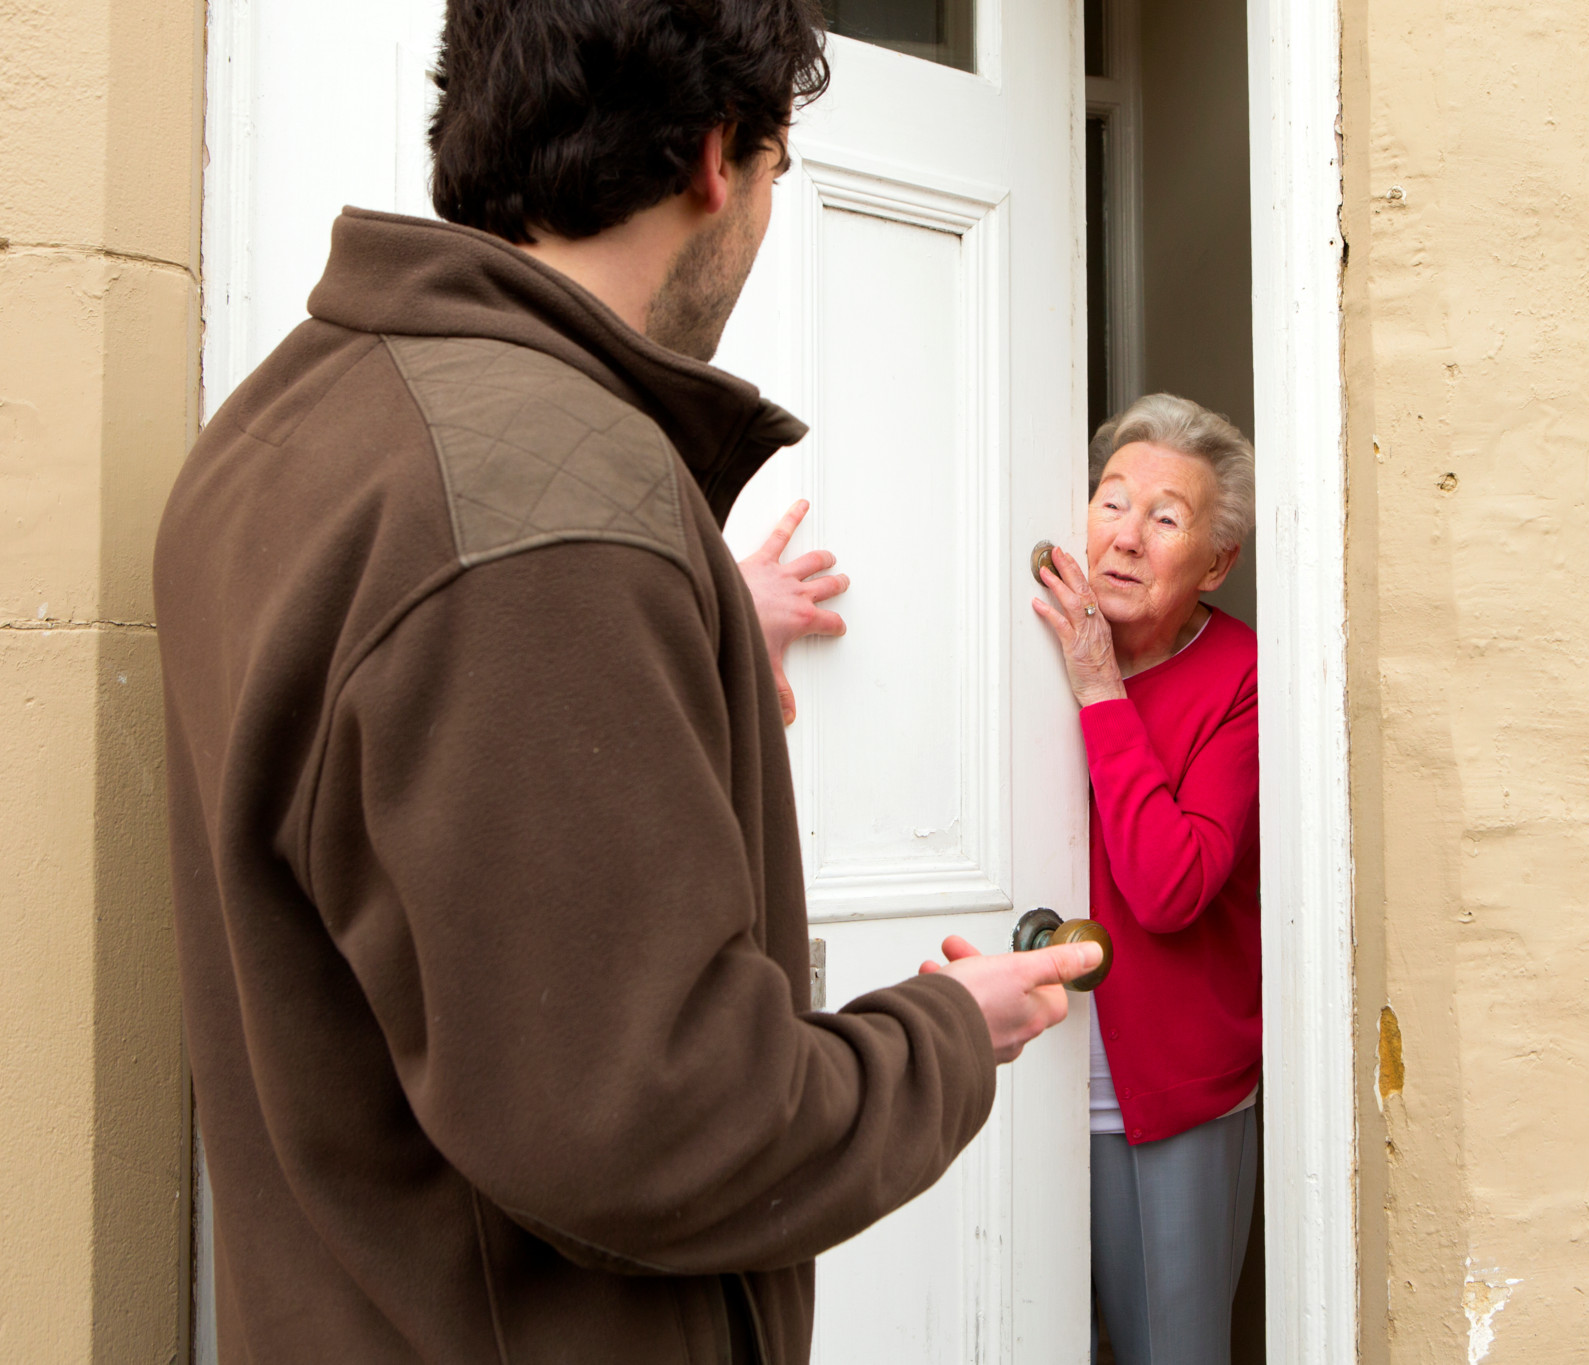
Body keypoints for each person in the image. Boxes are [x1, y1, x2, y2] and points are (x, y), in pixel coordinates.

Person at [152, 2, 1099, 1361]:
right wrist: (950, 1033)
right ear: (718, 159)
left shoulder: (287, 425)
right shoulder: (551, 512)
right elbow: (662, 1122)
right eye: (779, 175)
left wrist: (688, 637)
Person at [1032, 394, 1262, 1365]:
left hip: (1166, 1099)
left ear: (1214, 562)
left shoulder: (1243, 677)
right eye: (1110, 501)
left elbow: (1171, 887)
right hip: (1018, 1072)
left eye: (1162, 518)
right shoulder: (1021, 641)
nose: (1123, 537)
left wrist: (1098, 688)